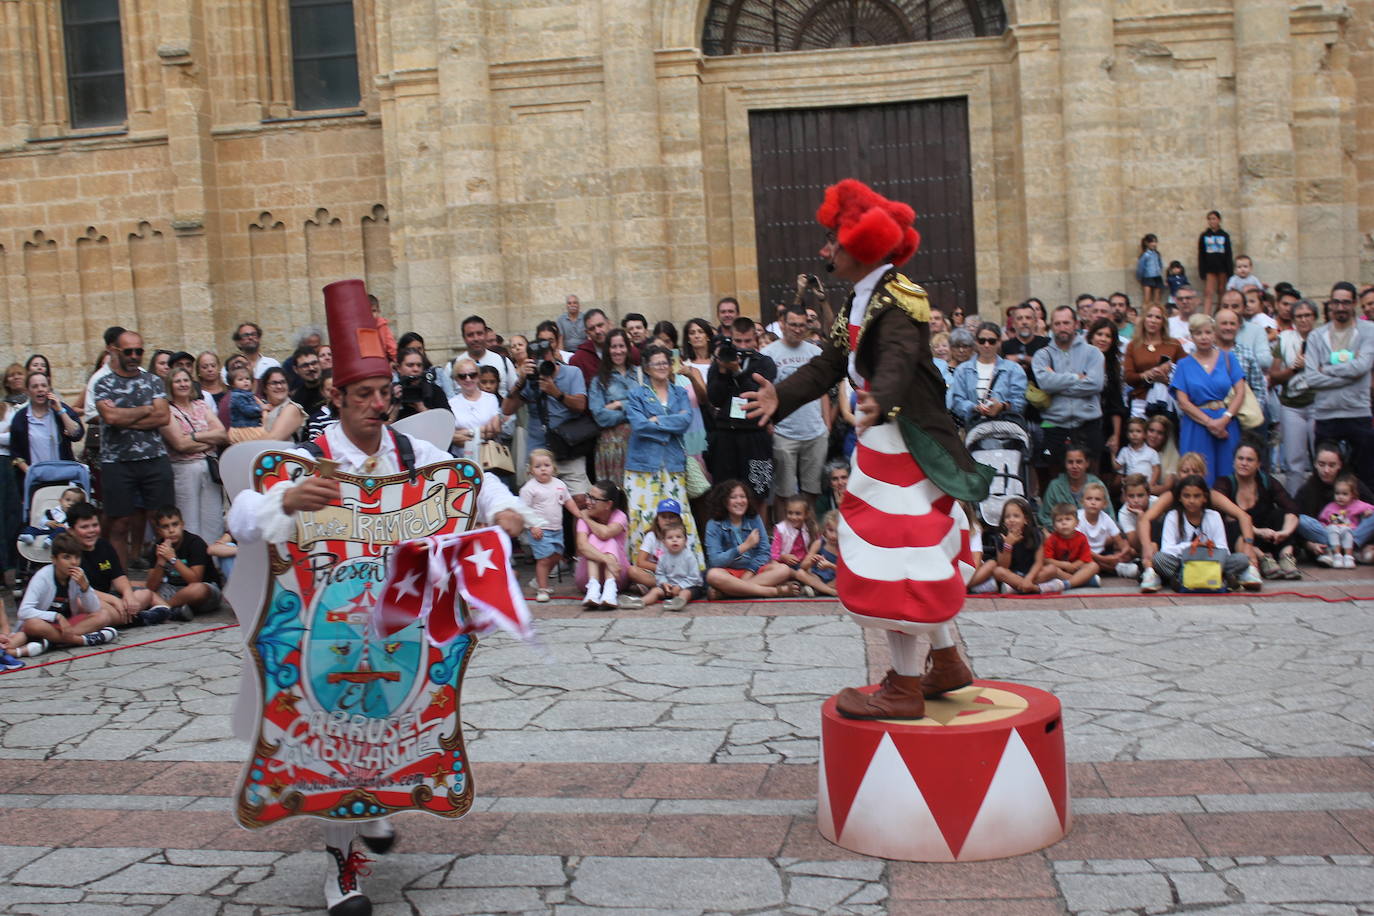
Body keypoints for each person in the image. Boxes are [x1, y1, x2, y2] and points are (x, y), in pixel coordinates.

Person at [225, 280, 528, 915]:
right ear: (336, 397)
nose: (376, 404)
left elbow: (472, 482)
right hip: (328, 626)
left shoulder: (411, 452)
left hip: (402, 621)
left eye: (384, 392)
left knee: (389, 725)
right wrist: (286, 500)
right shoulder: (308, 459)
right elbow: (242, 519)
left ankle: (375, 807)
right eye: (362, 394)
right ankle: (342, 867)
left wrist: (505, 511)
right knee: (337, 736)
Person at [743, 178, 990, 721]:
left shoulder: (898, 298)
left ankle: (904, 687)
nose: (825, 249)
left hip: (901, 448)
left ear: (862, 244)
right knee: (913, 557)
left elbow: (900, 357)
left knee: (892, 563)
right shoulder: (863, 296)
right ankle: (947, 661)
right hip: (883, 443)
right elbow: (831, 364)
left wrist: (881, 396)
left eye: (833, 240)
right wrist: (780, 395)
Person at [94, 329, 174, 569]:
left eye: (139, 351)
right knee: (119, 524)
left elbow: (163, 417)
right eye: (128, 351)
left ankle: (167, 573)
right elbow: (110, 418)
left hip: (154, 458)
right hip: (117, 462)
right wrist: (146, 409)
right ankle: (119, 578)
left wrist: (124, 417)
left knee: (162, 521)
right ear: (115, 351)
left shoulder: (153, 381)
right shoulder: (104, 384)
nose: (134, 356)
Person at [624, 345, 704, 565]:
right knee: (643, 515)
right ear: (646, 368)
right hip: (642, 465)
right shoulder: (636, 394)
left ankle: (684, 566)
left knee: (677, 514)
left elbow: (685, 421)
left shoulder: (680, 392)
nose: (662, 367)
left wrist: (656, 420)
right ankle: (645, 568)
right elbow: (639, 425)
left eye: (665, 362)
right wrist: (670, 423)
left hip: (672, 462)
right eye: (656, 363)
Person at [502, 321, 591, 497]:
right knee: (539, 500)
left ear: (554, 352)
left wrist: (556, 392)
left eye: (546, 357)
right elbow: (507, 409)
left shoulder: (572, 372)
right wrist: (520, 381)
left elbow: (580, 405)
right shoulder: (529, 379)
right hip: (539, 451)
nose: (543, 362)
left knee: (579, 498)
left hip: (569, 447)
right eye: (538, 358)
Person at [1300, 282, 1374, 483]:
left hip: (1358, 412)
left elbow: (1362, 366)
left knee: (1365, 476)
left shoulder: (1369, 331)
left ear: (1355, 303)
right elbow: (1312, 378)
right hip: (1326, 414)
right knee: (1325, 477)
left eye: (1346, 302)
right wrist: (1351, 373)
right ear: (1330, 304)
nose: (1341, 307)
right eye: (1336, 302)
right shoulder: (1317, 336)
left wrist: (1327, 369)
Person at [763, 306, 830, 518]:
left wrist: (827, 425)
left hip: (815, 431)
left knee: (812, 490)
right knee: (784, 492)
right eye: (793, 324)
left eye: (802, 325)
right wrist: (769, 423)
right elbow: (763, 393)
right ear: (782, 324)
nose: (798, 329)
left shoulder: (816, 353)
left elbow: (823, 391)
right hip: (784, 432)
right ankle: (783, 534)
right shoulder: (768, 354)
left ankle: (809, 531)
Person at [707, 317, 778, 514]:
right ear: (731, 339)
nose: (743, 346)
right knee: (724, 492)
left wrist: (738, 371)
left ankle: (760, 532)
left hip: (756, 435)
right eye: (738, 341)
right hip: (726, 435)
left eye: (747, 341)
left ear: (755, 339)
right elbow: (714, 398)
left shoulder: (764, 362)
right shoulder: (720, 361)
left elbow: (756, 394)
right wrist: (723, 371)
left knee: (759, 490)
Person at [1170, 313, 1247, 486]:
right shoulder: (1183, 364)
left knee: (1228, 472)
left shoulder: (1228, 358)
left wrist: (1225, 418)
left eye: (1208, 332)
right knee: (1196, 473)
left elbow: (1240, 392)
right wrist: (1210, 423)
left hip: (1226, 422)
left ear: (1214, 334)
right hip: (1196, 424)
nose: (1204, 337)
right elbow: (1183, 402)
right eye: (1198, 333)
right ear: (1191, 336)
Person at [1141, 475, 1251, 592]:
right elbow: (1167, 550)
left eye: (1197, 496)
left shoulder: (1214, 516)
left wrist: (1207, 548)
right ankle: (1217, 578)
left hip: (1211, 562)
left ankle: (1185, 579)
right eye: (1186, 496)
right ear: (1180, 498)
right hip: (1183, 563)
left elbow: (1224, 550)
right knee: (1158, 559)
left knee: (1242, 559)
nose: (1191, 501)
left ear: (1205, 498)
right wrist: (1192, 546)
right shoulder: (1173, 516)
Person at [15, 532, 118, 654]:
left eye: (77, 557)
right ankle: (80, 640)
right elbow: (23, 611)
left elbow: (94, 609)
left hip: (68, 626)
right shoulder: (42, 577)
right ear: (54, 559)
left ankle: (53, 642)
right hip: (46, 625)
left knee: (103, 615)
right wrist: (56, 616)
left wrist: (85, 587)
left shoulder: (78, 574)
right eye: (66, 557)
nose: (73, 562)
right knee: (32, 624)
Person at [1033, 305, 1105, 477]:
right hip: (1054, 424)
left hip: (1088, 423)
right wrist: (1075, 377)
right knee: (1054, 478)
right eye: (1057, 324)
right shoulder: (1042, 355)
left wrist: (1057, 385)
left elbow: (1095, 384)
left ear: (1076, 324)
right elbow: (1045, 384)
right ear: (1051, 326)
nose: (1062, 327)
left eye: (1066, 323)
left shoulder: (1093, 353)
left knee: (1092, 477)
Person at [160, 366, 229, 546]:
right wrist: (209, 440)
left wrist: (192, 437)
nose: (183, 384)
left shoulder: (201, 405)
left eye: (186, 380)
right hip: (184, 469)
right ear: (170, 385)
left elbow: (222, 434)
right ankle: (192, 557)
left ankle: (213, 558)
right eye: (178, 381)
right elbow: (180, 445)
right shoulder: (167, 410)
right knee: (188, 517)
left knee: (213, 517)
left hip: (209, 467)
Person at [1213, 441, 1301, 579]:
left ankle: (1286, 558)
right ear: (1234, 461)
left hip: (1269, 537)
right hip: (1243, 539)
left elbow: (1291, 507)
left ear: (1258, 464)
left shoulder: (1267, 481)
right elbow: (1220, 506)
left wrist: (1285, 532)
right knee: (1233, 522)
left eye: (1249, 460)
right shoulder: (1224, 483)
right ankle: (1263, 559)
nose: (1244, 463)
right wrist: (1258, 531)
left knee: (1281, 515)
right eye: (1240, 458)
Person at [702, 479, 801, 598]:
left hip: (754, 571)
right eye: (733, 497)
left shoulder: (754, 519)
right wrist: (744, 546)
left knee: (783, 570)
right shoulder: (714, 524)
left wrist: (750, 571)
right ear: (724, 501)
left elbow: (765, 552)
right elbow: (715, 561)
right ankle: (772, 591)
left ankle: (727, 592)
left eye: (742, 496)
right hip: (729, 572)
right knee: (713, 575)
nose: (739, 501)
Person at [1293, 442, 1374, 563]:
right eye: (1321, 464)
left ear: (1340, 465)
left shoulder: (1352, 483)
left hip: (1352, 531)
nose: (1326, 470)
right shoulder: (1307, 489)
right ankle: (1348, 551)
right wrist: (1308, 545)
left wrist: (1367, 512)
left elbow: (1370, 505)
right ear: (1315, 464)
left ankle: (1344, 548)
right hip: (1326, 534)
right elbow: (1295, 520)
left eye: (1332, 465)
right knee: (1300, 519)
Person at [520, 448, 580, 603]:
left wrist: (578, 514)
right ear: (531, 470)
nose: (543, 469)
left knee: (558, 555)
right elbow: (523, 510)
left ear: (553, 467)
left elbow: (568, 501)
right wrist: (532, 526)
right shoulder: (529, 488)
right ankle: (542, 588)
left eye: (546, 465)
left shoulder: (559, 484)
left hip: (557, 529)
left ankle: (538, 581)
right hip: (540, 529)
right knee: (544, 559)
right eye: (538, 466)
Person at [144, 505, 220, 620]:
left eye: (175, 524)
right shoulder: (158, 546)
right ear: (159, 530)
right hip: (173, 589)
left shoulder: (195, 543)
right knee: (141, 592)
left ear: (182, 525)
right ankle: (175, 611)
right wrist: (160, 562)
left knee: (198, 589)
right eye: (165, 526)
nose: (171, 530)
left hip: (204, 591)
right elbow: (151, 587)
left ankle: (164, 609)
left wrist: (173, 559)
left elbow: (195, 580)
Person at [950, 321, 1027, 427]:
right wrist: (975, 408)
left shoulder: (1013, 369)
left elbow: (1020, 402)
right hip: (975, 427)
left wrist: (1002, 406)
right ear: (976, 342)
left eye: (992, 341)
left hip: (1006, 428)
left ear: (999, 342)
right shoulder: (962, 370)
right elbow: (957, 401)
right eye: (982, 341)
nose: (986, 345)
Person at [588, 328, 639, 482]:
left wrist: (618, 404)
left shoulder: (641, 375)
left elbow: (647, 407)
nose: (618, 351)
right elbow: (600, 416)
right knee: (613, 492)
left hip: (638, 441)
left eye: (621, 346)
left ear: (628, 348)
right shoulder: (598, 381)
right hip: (611, 446)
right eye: (613, 347)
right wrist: (632, 411)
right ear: (607, 350)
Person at [9, 371, 84, 474]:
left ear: (49, 389)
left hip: (62, 474)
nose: (40, 389)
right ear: (27, 391)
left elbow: (77, 434)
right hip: (35, 476)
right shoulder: (20, 417)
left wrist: (60, 411)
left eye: (44, 386)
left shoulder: (60, 409)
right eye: (35, 386)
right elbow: (15, 451)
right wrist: (29, 472)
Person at [574, 479, 630, 609]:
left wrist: (586, 518)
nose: (588, 502)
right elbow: (582, 546)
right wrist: (607, 560)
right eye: (588, 496)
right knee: (593, 538)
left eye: (594, 499)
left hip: (617, 574)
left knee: (606, 539)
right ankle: (593, 587)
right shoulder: (584, 516)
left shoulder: (620, 516)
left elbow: (605, 533)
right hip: (586, 578)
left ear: (608, 504)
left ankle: (610, 589)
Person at [1123, 303, 1184, 418]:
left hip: (1167, 402)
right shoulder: (1133, 345)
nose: (1153, 321)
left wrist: (1166, 380)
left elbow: (1185, 373)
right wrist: (1147, 375)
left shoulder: (1174, 344)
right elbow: (1128, 377)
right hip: (1140, 402)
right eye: (1149, 316)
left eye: (1158, 317)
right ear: (1143, 319)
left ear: (1163, 322)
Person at [627, 519, 703, 610]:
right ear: (664, 542)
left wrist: (680, 586)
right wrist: (664, 583)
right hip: (669, 586)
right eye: (670, 538)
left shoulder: (689, 556)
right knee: (655, 591)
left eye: (678, 537)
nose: (674, 540)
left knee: (685, 593)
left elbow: (694, 577)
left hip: (689, 586)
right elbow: (660, 573)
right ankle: (640, 601)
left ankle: (679, 602)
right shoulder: (663, 557)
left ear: (685, 540)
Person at [1086, 318, 1127, 475]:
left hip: (1105, 424)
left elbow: (1116, 403)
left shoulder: (1112, 366)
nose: (1103, 339)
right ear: (1091, 336)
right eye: (1099, 334)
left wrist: (1116, 435)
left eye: (1108, 336)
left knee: (1104, 470)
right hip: (1083, 421)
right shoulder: (1080, 360)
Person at [446, 357, 502, 464]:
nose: (468, 379)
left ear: (478, 376)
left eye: (472, 375)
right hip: (461, 460)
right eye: (462, 376)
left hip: (488, 459)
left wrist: (466, 433)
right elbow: (451, 437)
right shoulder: (451, 403)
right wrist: (480, 432)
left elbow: (494, 430)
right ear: (456, 379)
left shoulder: (491, 399)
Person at [1038, 445, 1105, 528]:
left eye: (1079, 462)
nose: (1074, 466)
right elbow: (1045, 518)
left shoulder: (1097, 485)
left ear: (1087, 463)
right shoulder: (1055, 486)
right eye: (1070, 462)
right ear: (1065, 464)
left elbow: (1108, 516)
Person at [1079, 482, 1136, 579]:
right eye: (1089, 499)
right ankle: (1115, 569)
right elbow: (1080, 548)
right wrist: (1104, 559)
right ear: (1082, 502)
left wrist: (1121, 554)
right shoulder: (1078, 518)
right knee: (1084, 562)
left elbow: (1120, 542)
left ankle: (1101, 570)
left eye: (1097, 499)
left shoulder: (1106, 519)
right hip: (1082, 553)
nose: (1093, 502)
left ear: (1104, 504)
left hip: (1101, 553)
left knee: (1130, 552)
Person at [1039, 503, 1100, 593]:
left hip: (1077, 569)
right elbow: (1047, 560)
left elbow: (1085, 558)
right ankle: (1083, 581)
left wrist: (1074, 566)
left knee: (1094, 566)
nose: (1064, 523)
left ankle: (1067, 584)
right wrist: (1064, 565)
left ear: (1077, 523)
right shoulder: (1052, 539)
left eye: (1068, 519)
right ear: (1054, 526)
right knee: (1050, 569)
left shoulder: (1082, 537)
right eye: (1059, 520)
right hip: (1060, 570)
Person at [1316, 473, 1374, 568]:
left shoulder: (1357, 504)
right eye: (1337, 493)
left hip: (1351, 534)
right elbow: (1322, 521)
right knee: (1332, 530)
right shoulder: (1330, 507)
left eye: (1344, 494)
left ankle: (1348, 555)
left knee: (1348, 532)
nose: (1340, 497)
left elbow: (1371, 507)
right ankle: (1338, 555)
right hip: (1335, 535)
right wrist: (1325, 526)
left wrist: (1368, 511)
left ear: (1352, 495)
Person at [391, 348, 448, 421]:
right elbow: (383, 425)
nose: (416, 369)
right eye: (410, 365)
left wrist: (422, 408)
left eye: (419, 365)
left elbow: (447, 421)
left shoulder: (434, 390)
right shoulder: (390, 392)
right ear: (399, 368)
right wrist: (395, 406)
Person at [794, 509, 840, 597]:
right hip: (817, 578)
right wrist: (811, 561)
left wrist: (830, 566)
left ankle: (818, 589)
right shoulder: (819, 543)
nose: (834, 536)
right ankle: (831, 592)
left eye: (837, 532)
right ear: (825, 529)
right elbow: (803, 566)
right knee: (800, 573)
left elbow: (846, 572)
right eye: (830, 530)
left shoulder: (843, 547)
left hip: (835, 580)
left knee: (848, 579)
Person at [18, 485, 82, 548]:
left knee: (61, 530)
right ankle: (29, 537)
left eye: (75, 502)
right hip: (47, 530)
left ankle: (50, 540)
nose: (70, 503)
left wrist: (65, 527)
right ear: (60, 501)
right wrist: (47, 522)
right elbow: (42, 521)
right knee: (31, 528)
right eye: (67, 500)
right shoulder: (53, 511)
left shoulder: (76, 516)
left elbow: (76, 528)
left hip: (61, 532)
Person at [1197, 210, 1234, 313]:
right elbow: (1201, 254)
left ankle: (1221, 311)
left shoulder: (1224, 235)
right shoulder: (1204, 236)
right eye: (1209, 219)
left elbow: (1228, 253)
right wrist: (1202, 270)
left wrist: (1230, 271)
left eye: (1214, 219)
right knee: (1208, 292)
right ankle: (1206, 314)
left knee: (1222, 290)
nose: (1212, 221)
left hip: (1222, 267)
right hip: (1210, 268)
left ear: (1219, 220)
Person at [770, 494, 818, 570]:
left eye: (798, 513)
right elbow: (773, 554)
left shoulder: (810, 527)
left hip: (803, 564)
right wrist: (783, 557)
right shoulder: (781, 529)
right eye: (790, 513)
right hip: (785, 564)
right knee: (777, 566)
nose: (793, 517)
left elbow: (817, 546)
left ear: (806, 514)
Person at [1117, 473, 1158, 557]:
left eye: (1140, 495)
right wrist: (1140, 517)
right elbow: (1136, 545)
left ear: (1148, 494)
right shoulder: (1124, 513)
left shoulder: (1157, 503)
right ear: (1125, 497)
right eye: (1131, 496)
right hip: (1142, 548)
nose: (1136, 500)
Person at [1115, 416, 1160, 490]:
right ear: (1127, 434)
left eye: (1138, 431)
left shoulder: (1151, 452)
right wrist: (1112, 453)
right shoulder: (1125, 451)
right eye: (1131, 431)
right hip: (1130, 487)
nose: (1134, 434)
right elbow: (1117, 467)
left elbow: (1156, 470)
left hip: (1146, 486)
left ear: (1145, 434)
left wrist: (1151, 484)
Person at [570, 308, 614, 383]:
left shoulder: (626, 350)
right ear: (587, 333)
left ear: (609, 324)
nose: (597, 331)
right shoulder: (578, 360)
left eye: (600, 325)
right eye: (592, 328)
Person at [1146, 414, 1181, 496]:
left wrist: (1144, 490)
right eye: (1151, 431)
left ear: (1166, 436)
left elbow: (1167, 487)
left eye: (1160, 433)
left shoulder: (1173, 456)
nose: (1154, 436)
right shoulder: (1136, 451)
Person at [288, 348, 326, 414]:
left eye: (314, 363)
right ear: (296, 369)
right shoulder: (297, 400)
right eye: (305, 365)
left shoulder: (334, 384)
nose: (311, 368)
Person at [1136, 234, 1164, 308]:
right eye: (1152, 242)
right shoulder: (1145, 255)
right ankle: (1144, 313)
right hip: (1147, 277)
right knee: (1147, 299)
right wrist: (1139, 277)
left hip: (1157, 276)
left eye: (1155, 242)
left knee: (1157, 300)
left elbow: (1160, 264)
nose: (1154, 244)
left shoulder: (1157, 254)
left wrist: (1160, 270)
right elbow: (1140, 267)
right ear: (1146, 243)